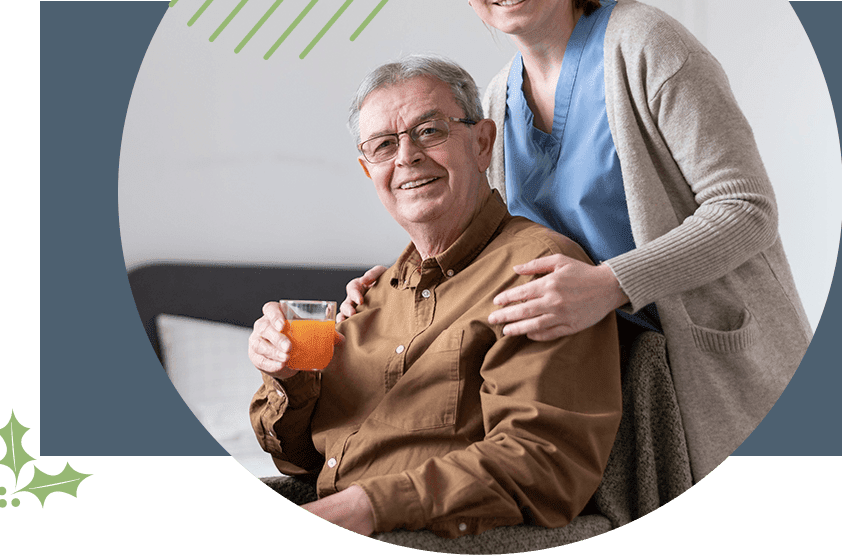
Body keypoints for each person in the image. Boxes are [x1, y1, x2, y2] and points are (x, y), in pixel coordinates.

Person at [341, 0, 813, 482]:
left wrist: (611, 284)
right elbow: (490, 238)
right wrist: (400, 283)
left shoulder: (646, 47)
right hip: (608, 382)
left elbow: (745, 209)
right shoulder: (496, 100)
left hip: (715, 368)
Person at [248, 55, 621, 538]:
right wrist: (286, 378)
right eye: (383, 145)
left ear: (483, 143)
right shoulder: (373, 295)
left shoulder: (539, 272)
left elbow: (542, 462)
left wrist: (366, 506)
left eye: (430, 131)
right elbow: (301, 461)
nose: (406, 157)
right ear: (369, 171)